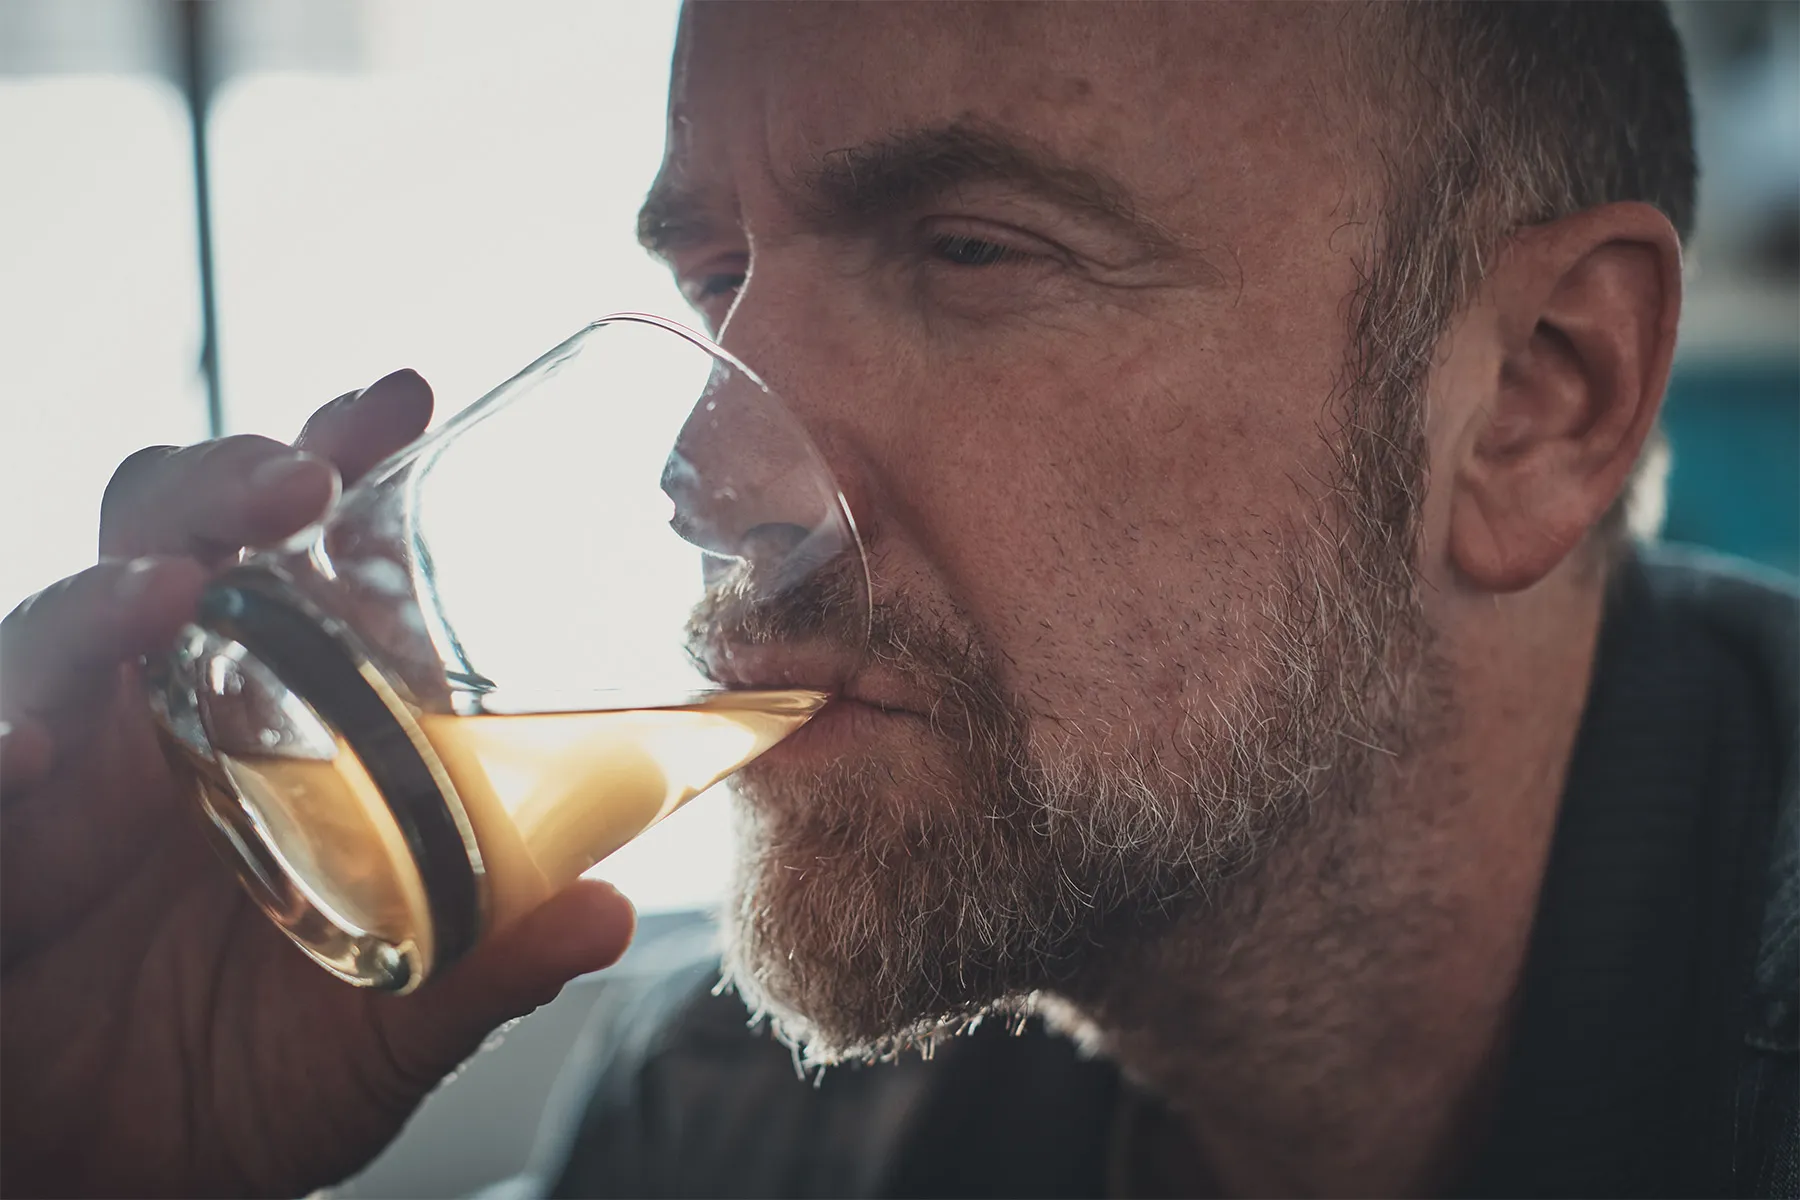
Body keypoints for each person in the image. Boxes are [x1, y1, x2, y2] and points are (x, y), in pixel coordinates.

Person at [1, 1, 1793, 1196]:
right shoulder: (728, 1121)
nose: (709, 472)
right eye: (716, 276)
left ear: (1538, 396)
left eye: (968, 251)